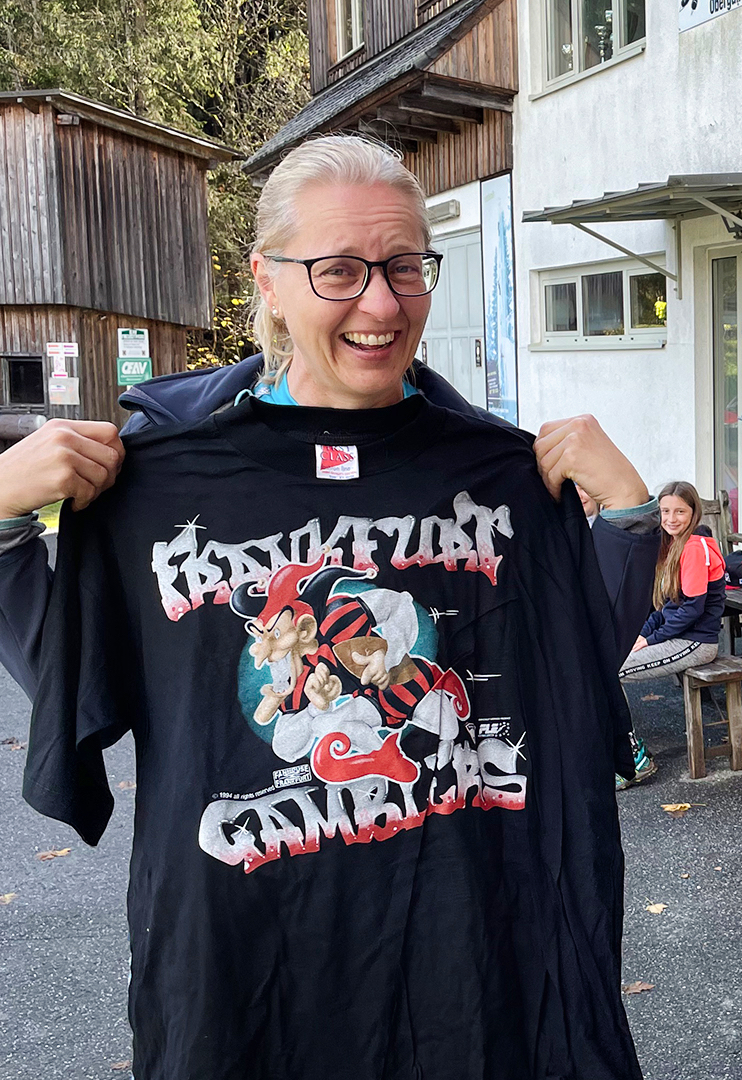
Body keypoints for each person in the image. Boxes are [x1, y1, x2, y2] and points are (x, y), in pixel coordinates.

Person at [16, 134, 648, 1079]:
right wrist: (3, 518)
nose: (382, 304)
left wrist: (630, 517)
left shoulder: (502, 477)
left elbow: (577, 666)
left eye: (405, 266)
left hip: (475, 978)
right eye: (340, 270)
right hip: (246, 986)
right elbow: (60, 672)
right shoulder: (156, 486)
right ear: (268, 280)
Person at [615, 481, 726, 787]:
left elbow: (691, 610)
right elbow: (663, 608)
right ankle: (621, 750)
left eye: (680, 511)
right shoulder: (672, 547)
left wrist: (651, 640)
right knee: (609, 662)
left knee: (613, 672)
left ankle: (631, 757)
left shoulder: (695, 548)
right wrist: (640, 636)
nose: (671, 518)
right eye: (665, 511)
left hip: (696, 642)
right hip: (678, 636)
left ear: (694, 513)